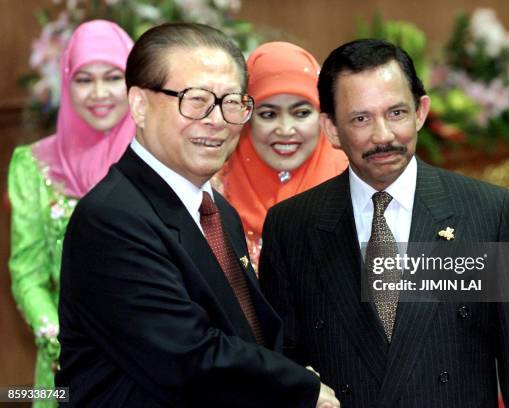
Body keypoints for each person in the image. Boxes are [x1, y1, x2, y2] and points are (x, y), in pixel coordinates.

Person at [56, 23, 339, 408]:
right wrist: (299, 387)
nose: (217, 119)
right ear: (139, 105)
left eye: (231, 101)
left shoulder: (216, 209)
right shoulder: (111, 219)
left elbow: (246, 331)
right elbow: (185, 357)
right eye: (195, 100)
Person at [259, 39, 509, 407]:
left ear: (420, 111)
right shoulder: (292, 226)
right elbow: (283, 362)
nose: (383, 136)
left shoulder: (487, 213)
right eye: (361, 118)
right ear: (331, 129)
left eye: (396, 113)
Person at [8, 20, 134, 407]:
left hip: (157, 360)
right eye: (84, 79)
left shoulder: (161, 159)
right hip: (67, 365)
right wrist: (61, 340)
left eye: (113, 77)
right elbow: (27, 273)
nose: (99, 93)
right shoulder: (33, 166)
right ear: (66, 82)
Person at [216, 41, 346, 268]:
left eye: (302, 113)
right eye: (268, 114)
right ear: (247, 118)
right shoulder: (213, 193)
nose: (286, 130)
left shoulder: (359, 189)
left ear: (323, 117)